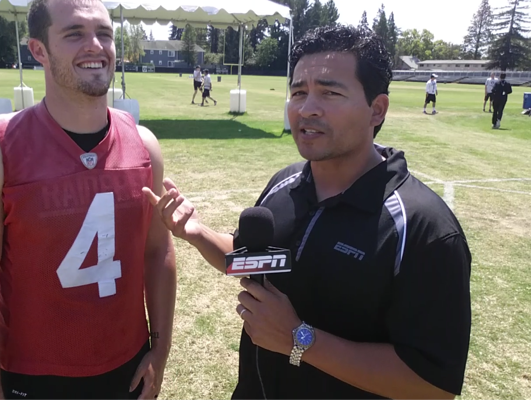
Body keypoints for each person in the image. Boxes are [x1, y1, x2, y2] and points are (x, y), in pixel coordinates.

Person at [144, 25, 471, 400]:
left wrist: (300, 339)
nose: (307, 108)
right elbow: (251, 260)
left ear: (376, 110)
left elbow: (433, 385)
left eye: (330, 92)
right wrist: (196, 231)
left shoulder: (423, 228)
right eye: (298, 92)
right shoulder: (285, 186)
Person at [0, 0, 176, 400]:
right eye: (74, 34)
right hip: (33, 378)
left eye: (104, 33)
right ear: (38, 50)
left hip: (128, 369)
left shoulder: (144, 145)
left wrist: (159, 349)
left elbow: (157, 252)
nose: (96, 46)